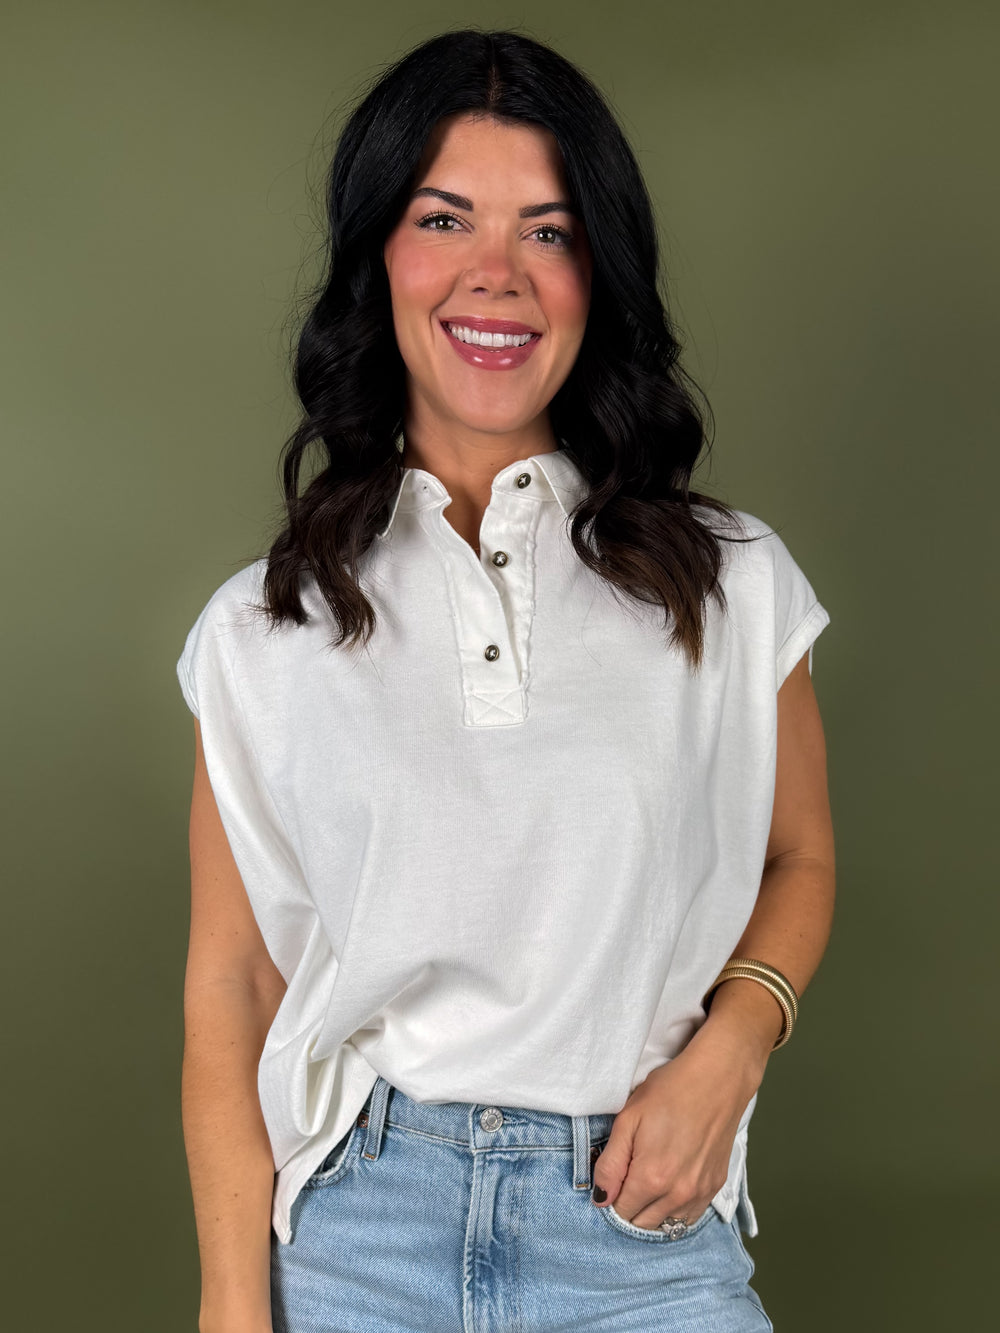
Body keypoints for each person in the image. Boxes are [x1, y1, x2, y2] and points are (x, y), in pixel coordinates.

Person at [177, 27, 834, 1333]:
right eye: (445, 219)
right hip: (359, 1237)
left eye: (549, 230)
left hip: (641, 1227)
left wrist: (732, 1049)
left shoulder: (730, 580)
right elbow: (231, 988)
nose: (498, 274)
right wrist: (233, 1305)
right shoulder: (263, 626)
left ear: (600, 273)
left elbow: (799, 859)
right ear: (379, 256)